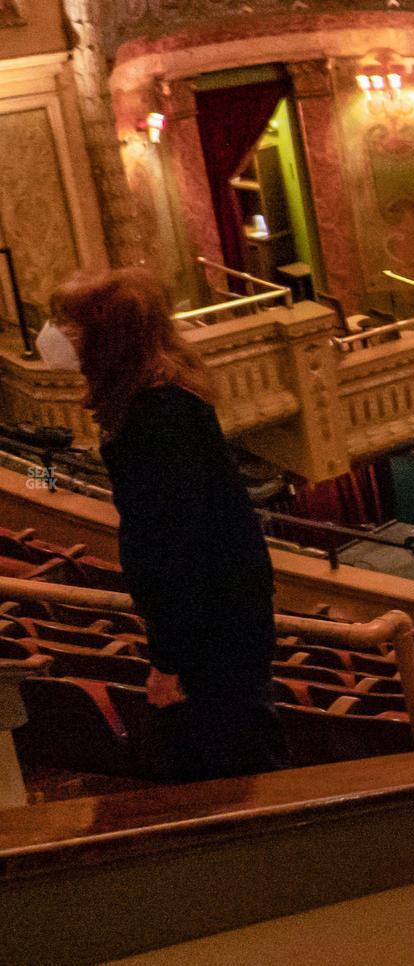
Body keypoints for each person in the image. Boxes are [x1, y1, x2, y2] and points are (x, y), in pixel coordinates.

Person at [44, 268, 286, 782]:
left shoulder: (156, 416)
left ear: (107, 338)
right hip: (222, 613)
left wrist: (169, 662)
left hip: (211, 627)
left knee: (231, 770)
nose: (57, 335)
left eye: (71, 323)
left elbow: (173, 547)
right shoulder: (163, 397)